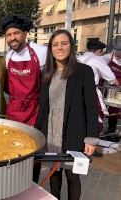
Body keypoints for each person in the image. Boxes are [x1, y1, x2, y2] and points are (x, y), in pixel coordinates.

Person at [35, 29, 99, 200]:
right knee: (54, 175)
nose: (60, 48)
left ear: (71, 46)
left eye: (64, 43)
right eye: (55, 44)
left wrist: (91, 139)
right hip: (51, 134)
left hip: (74, 134)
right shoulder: (45, 73)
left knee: (72, 177)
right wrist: (37, 135)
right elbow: (42, 108)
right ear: (50, 49)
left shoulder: (84, 72)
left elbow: (92, 108)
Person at [1, 14, 47, 126]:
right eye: (8, 35)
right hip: (13, 109)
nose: (12, 38)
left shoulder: (41, 52)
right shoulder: (8, 57)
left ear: (25, 34)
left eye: (16, 33)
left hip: (35, 110)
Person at [78, 39, 118, 133]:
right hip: (90, 92)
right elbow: (111, 78)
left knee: (80, 116)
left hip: (76, 91)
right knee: (95, 117)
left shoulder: (79, 58)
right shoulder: (97, 59)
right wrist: (116, 83)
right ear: (99, 51)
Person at [102, 36, 121, 134]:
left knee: (115, 110)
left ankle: (111, 131)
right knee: (101, 108)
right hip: (106, 87)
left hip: (119, 90)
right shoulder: (106, 58)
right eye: (117, 52)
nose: (118, 55)